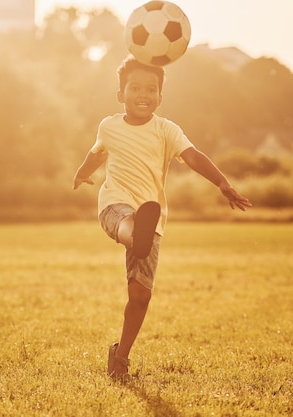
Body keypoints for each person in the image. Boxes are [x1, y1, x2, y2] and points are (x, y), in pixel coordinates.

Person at [73, 56, 251, 381]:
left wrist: (222, 182)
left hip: (151, 219)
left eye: (151, 89)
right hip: (114, 207)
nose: (143, 94)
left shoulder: (166, 130)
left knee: (140, 296)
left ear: (160, 97)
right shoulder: (109, 126)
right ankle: (133, 235)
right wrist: (81, 174)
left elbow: (194, 156)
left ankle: (120, 358)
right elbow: (96, 154)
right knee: (127, 221)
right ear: (120, 94)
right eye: (135, 87)